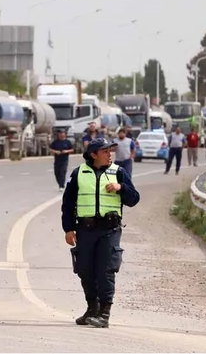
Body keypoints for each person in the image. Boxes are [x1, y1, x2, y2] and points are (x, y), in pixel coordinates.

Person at [61, 138, 141, 328]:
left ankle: (104, 314)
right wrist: (69, 229)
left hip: (109, 229)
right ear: (93, 154)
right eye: (105, 151)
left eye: (110, 151)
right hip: (85, 230)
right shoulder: (79, 173)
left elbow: (134, 199)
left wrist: (120, 188)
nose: (109, 154)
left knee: (106, 271)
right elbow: (68, 204)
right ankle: (92, 308)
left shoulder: (119, 172)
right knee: (85, 270)